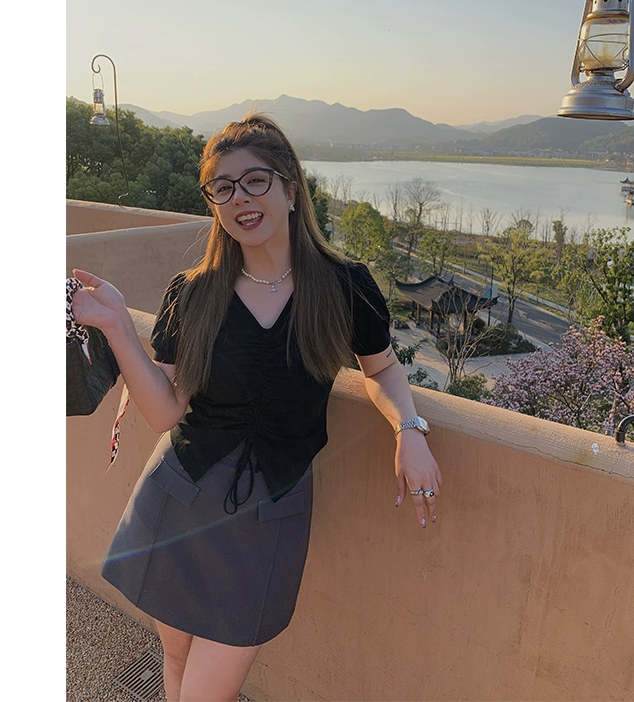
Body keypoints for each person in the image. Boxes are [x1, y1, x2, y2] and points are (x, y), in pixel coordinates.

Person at [71, 114, 442, 702]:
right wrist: (117, 325)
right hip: (178, 496)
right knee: (176, 656)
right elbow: (164, 412)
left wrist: (409, 429)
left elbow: (382, 369)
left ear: (291, 189)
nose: (240, 197)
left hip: (271, 511)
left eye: (255, 181)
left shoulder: (344, 286)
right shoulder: (193, 293)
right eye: (223, 187)